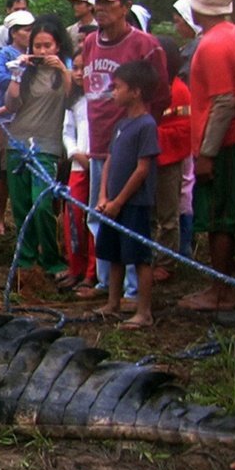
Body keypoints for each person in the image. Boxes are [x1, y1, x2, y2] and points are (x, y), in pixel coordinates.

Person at [77, 0, 169, 300]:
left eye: (108, 3)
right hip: (100, 138)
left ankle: (132, 291)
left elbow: (161, 95)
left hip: (131, 141)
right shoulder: (90, 42)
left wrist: (140, 129)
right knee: (98, 213)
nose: (99, 9)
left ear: (126, 7)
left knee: (128, 215)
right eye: (96, 2)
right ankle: (106, 285)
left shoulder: (145, 45)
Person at [179, 0, 235, 315]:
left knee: (220, 216)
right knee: (219, 214)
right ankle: (218, 284)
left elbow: (223, 102)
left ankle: (221, 290)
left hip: (222, 142)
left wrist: (207, 153)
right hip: (231, 137)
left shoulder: (213, 44)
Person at [92, 60, 160, 329]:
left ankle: (144, 311)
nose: (113, 92)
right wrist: (103, 196)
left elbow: (143, 169)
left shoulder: (147, 125)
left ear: (136, 91)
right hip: (112, 203)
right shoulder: (121, 124)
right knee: (114, 252)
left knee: (139, 256)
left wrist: (120, 201)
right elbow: (109, 160)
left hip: (135, 203)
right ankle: (113, 302)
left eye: (118, 87)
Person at [3, 16, 71, 278]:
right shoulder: (25, 71)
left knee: (41, 204)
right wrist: (17, 73)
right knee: (20, 205)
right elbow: (11, 105)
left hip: (47, 145)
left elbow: (72, 98)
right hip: (18, 142)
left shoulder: (63, 72)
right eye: (37, 46)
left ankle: (51, 259)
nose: (42, 52)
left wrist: (62, 70)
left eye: (48, 46)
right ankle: (26, 258)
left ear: (58, 46)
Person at [0, 9, 36, 237]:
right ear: (14, 33)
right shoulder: (3, 54)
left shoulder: (37, 53)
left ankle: (27, 221)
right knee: (3, 171)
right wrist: (24, 85)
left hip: (32, 120)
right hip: (6, 120)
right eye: (26, 30)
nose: (30, 33)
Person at [152, 36, 190, 284]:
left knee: (168, 214)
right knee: (150, 214)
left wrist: (149, 134)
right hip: (148, 160)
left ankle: (166, 263)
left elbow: (184, 129)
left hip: (168, 159)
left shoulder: (179, 91)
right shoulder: (149, 90)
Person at [59, 53, 95, 292]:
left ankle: (93, 273)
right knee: (73, 218)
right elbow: (67, 131)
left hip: (100, 165)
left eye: (85, 68)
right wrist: (75, 152)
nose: (80, 73)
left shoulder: (103, 100)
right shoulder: (74, 101)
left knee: (94, 222)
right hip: (78, 166)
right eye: (77, 68)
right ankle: (75, 267)